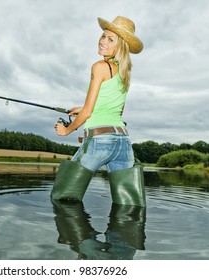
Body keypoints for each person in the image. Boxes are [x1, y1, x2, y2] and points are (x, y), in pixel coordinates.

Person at [51, 16, 145, 206]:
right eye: (103, 36)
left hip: (99, 140)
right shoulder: (124, 74)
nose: (103, 41)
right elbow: (116, 112)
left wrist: (67, 130)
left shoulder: (100, 67)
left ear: (121, 47)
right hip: (123, 142)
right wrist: (83, 109)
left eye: (111, 39)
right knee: (129, 206)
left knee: (63, 198)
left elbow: (87, 113)